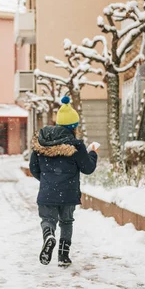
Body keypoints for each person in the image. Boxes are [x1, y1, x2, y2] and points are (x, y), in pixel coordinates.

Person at [29, 96, 99, 267]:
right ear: (73, 127)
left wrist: (47, 180)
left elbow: (33, 167)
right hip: (68, 193)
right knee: (66, 222)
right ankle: (63, 256)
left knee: (48, 219)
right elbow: (88, 168)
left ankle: (49, 236)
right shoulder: (76, 146)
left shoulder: (42, 143)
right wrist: (93, 153)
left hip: (47, 193)